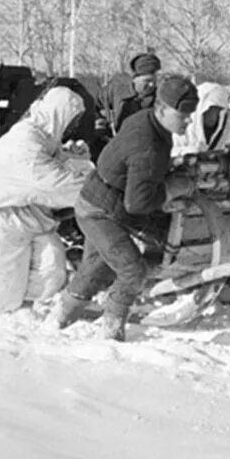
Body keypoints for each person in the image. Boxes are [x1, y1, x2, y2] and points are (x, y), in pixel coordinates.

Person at [56, 75, 200, 340]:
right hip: (99, 212)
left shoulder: (149, 122)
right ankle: (111, 331)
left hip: (102, 201)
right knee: (133, 271)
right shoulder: (148, 146)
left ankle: (60, 320)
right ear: (162, 109)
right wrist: (172, 188)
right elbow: (138, 203)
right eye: (183, 114)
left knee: (93, 270)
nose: (189, 120)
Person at [0, 85, 92, 313]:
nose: (73, 126)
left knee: (52, 271)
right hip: (0, 219)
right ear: (59, 113)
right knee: (3, 299)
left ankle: (27, 315)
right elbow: (53, 184)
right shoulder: (24, 139)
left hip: (30, 216)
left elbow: (57, 161)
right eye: (72, 119)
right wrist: (95, 185)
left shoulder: (42, 136)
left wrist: (77, 158)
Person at [96, 52, 162, 148]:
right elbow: (95, 106)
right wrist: (99, 121)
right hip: (113, 144)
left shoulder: (160, 98)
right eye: (147, 81)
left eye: (154, 81)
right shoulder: (116, 91)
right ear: (135, 79)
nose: (152, 85)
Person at [172, 82, 230, 157]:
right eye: (210, 109)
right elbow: (168, 153)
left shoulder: (226, 130)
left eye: (218, 110)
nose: (213, 116)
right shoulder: (182, 128)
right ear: (200, 108)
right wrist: (188, 151)